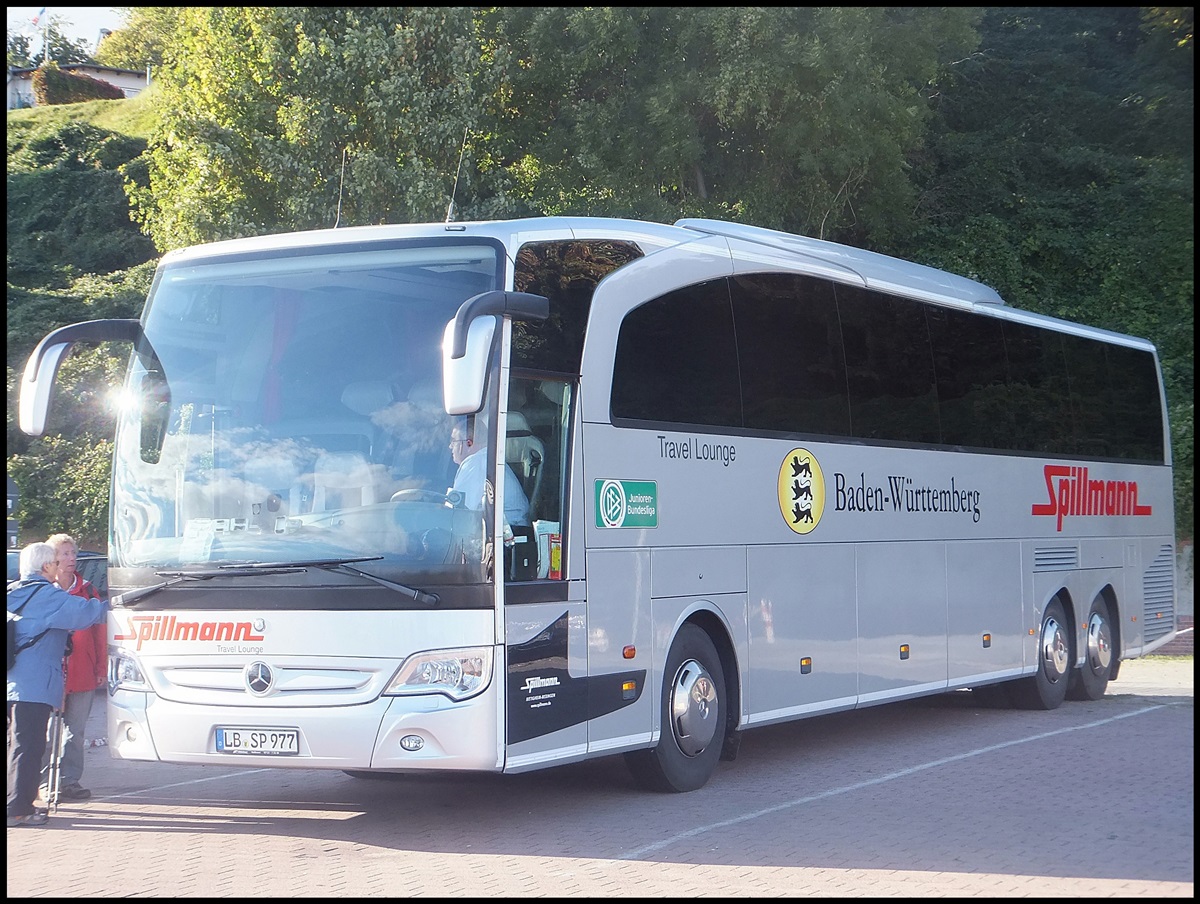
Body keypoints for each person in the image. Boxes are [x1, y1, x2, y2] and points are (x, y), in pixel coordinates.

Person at [7, 542, 108, 828]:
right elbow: (89, 613)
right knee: (29, 746)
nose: (59, 566)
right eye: (54, 561)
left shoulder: (13, 592)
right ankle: (19, 810)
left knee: (16, 744)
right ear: (45, 566)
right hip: (33, 684)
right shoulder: (47, 595)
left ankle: (14, 801)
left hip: (12, 681)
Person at [38, 534, 107, 803]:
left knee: (75, 732)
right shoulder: (44, 591)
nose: (70, 559)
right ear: (51, 560)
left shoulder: (88, 590)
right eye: (64, 554)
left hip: (82, 672)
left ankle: (70, 781)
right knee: (47, 732)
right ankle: (45, 782)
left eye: (72, 553)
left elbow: (99, 632)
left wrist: (101, 666)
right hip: (50, 674)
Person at [448, 417, 535, 578]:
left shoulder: (476, 462)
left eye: (453, 441)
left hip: (504, 546)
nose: (450, 446)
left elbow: (459, 514)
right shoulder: (488, 461)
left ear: (469, 443)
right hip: (506, 541)